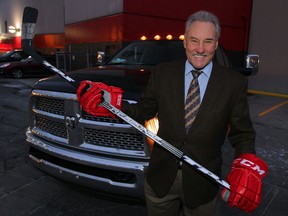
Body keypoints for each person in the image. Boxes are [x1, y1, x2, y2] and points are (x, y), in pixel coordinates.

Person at [77, 11, 268, 216]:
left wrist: (245, 164)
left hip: (203, 185)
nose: (200, 49)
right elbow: (143, 111)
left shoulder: (233, 83)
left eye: (208, 41)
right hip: (161, 180)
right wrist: (111, 104)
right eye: (194, 40)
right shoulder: (162, 73)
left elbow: (243, 134)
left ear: (216, 44)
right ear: (185, 42)